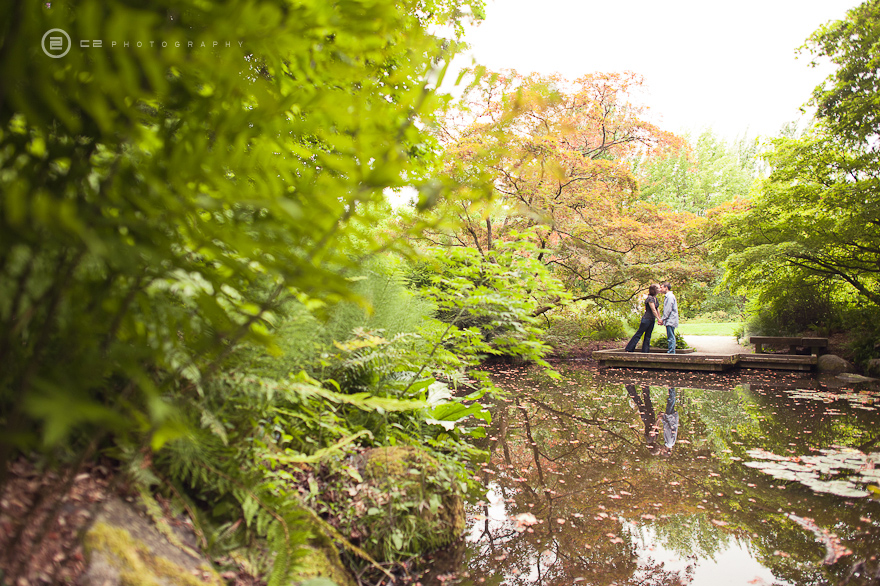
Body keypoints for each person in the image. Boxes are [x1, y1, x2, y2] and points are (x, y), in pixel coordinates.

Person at [625, 284, 662, 353]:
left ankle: (645, 351)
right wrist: (658, 318)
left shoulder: (655, 298)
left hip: (652, 319)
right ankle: (629, 348)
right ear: (654, 290)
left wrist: (660, 318)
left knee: (648, 335)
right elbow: (653, 309)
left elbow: (657, 309)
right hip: (646, 319)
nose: (660, 289)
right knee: (639, 333)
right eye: (658, 288)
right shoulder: (650, 298)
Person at [658, 282, 679, 354]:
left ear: (666, 288)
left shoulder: (670, 297)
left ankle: (671, 352)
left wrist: (662, 319)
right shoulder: (668, 296)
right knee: (670, 336)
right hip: (670, 319)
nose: (660, 289)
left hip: (671, 320)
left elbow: (668, 310)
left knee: (671, 336)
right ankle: (671, 351)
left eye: (662, 287)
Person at [660, 387, 679, 455]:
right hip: (670, 419)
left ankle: (671, 389)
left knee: (671, 403)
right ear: (665, 451)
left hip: (671, 419)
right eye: (662, 451)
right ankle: (671, 388)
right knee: (670, 402)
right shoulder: (669, 442)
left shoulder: (671, 443)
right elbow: (667, 428)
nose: (661, 449)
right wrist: (662, 419)